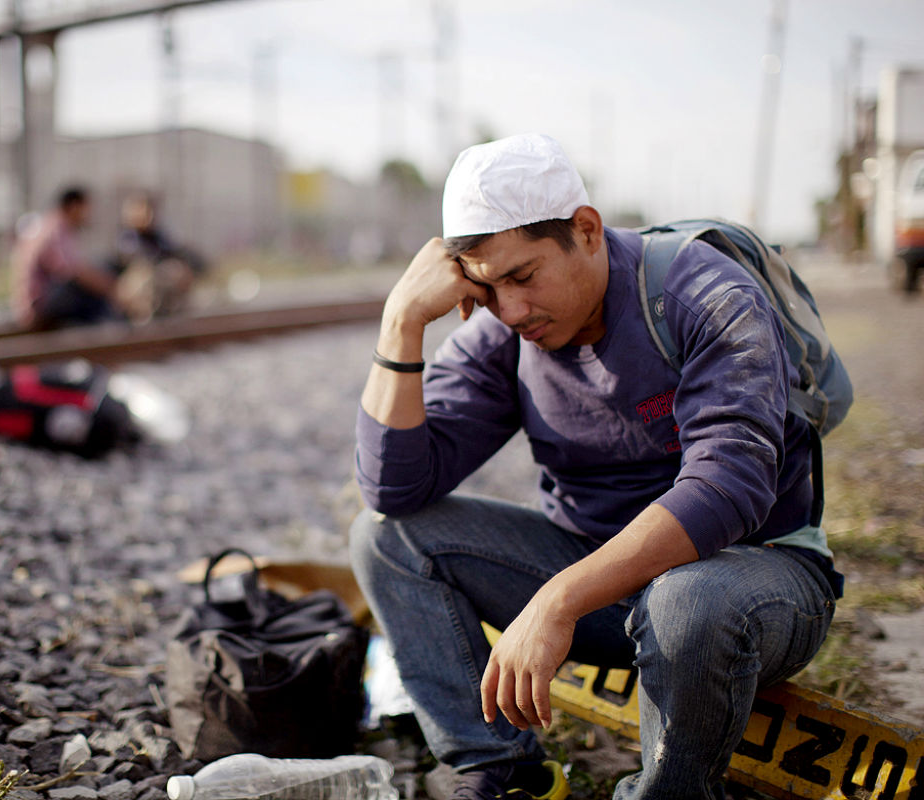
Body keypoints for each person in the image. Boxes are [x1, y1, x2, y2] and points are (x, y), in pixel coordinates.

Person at [349, 134, 843, 800]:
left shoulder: (701, 292)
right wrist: (400, 323)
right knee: (385, 537)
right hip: (603, 591)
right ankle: (502, 776)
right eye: (487, 288)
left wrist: (558, 598)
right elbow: (394, 488)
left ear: (586, 231)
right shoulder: (507, 332)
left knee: (685, 598)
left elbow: (730, 487)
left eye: (523, 277)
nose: (511, 309)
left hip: (751, 583)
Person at [11, 186, 127, 330]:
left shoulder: (45, 224)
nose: (88, 215)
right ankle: (102, 329)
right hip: (40, 306)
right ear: (74, 207)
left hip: (34, 303)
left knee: (99, 271)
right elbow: (74, 272)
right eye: (86, 209)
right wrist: (113, 288)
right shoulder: (56, 230)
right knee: (89, 286)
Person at [111, 189, 207, 323]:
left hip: (160, 278)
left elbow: (176, 251)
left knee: (177, 273)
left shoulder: (158, 235)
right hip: (136, 284)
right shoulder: (127, 237)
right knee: (145, 280)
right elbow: (137, 260)